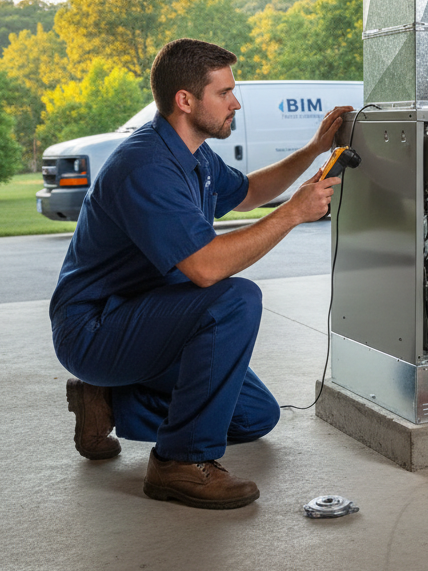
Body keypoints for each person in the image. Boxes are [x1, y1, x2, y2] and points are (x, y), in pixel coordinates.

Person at [51, 38, 352, 510]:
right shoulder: (146, 166)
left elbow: (251, 191)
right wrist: (293, 214)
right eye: (225, 93)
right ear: (185, 100)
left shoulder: (194, 155)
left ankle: (107, 401)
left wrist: (315, 149)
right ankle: (179, 462)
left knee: (256, 417)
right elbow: (207, 268)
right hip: (95, 328)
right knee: (235, 299)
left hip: (149, 317)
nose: (236, 102)